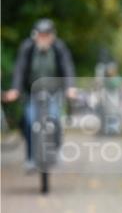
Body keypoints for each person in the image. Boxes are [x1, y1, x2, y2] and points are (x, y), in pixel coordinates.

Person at [4, 19, 76, 171]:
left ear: (52, 36)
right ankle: (30, 157)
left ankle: (55, 150)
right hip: (32, 93)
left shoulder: (59, 47)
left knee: (55, 118)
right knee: (30, 121)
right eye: (41, 35)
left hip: (53, 92)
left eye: (47, 35)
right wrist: (15, 90)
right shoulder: (27, 47)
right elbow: (20, 69)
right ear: (35, 35)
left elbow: (67, 67)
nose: (43, 38)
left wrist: (70, 87)